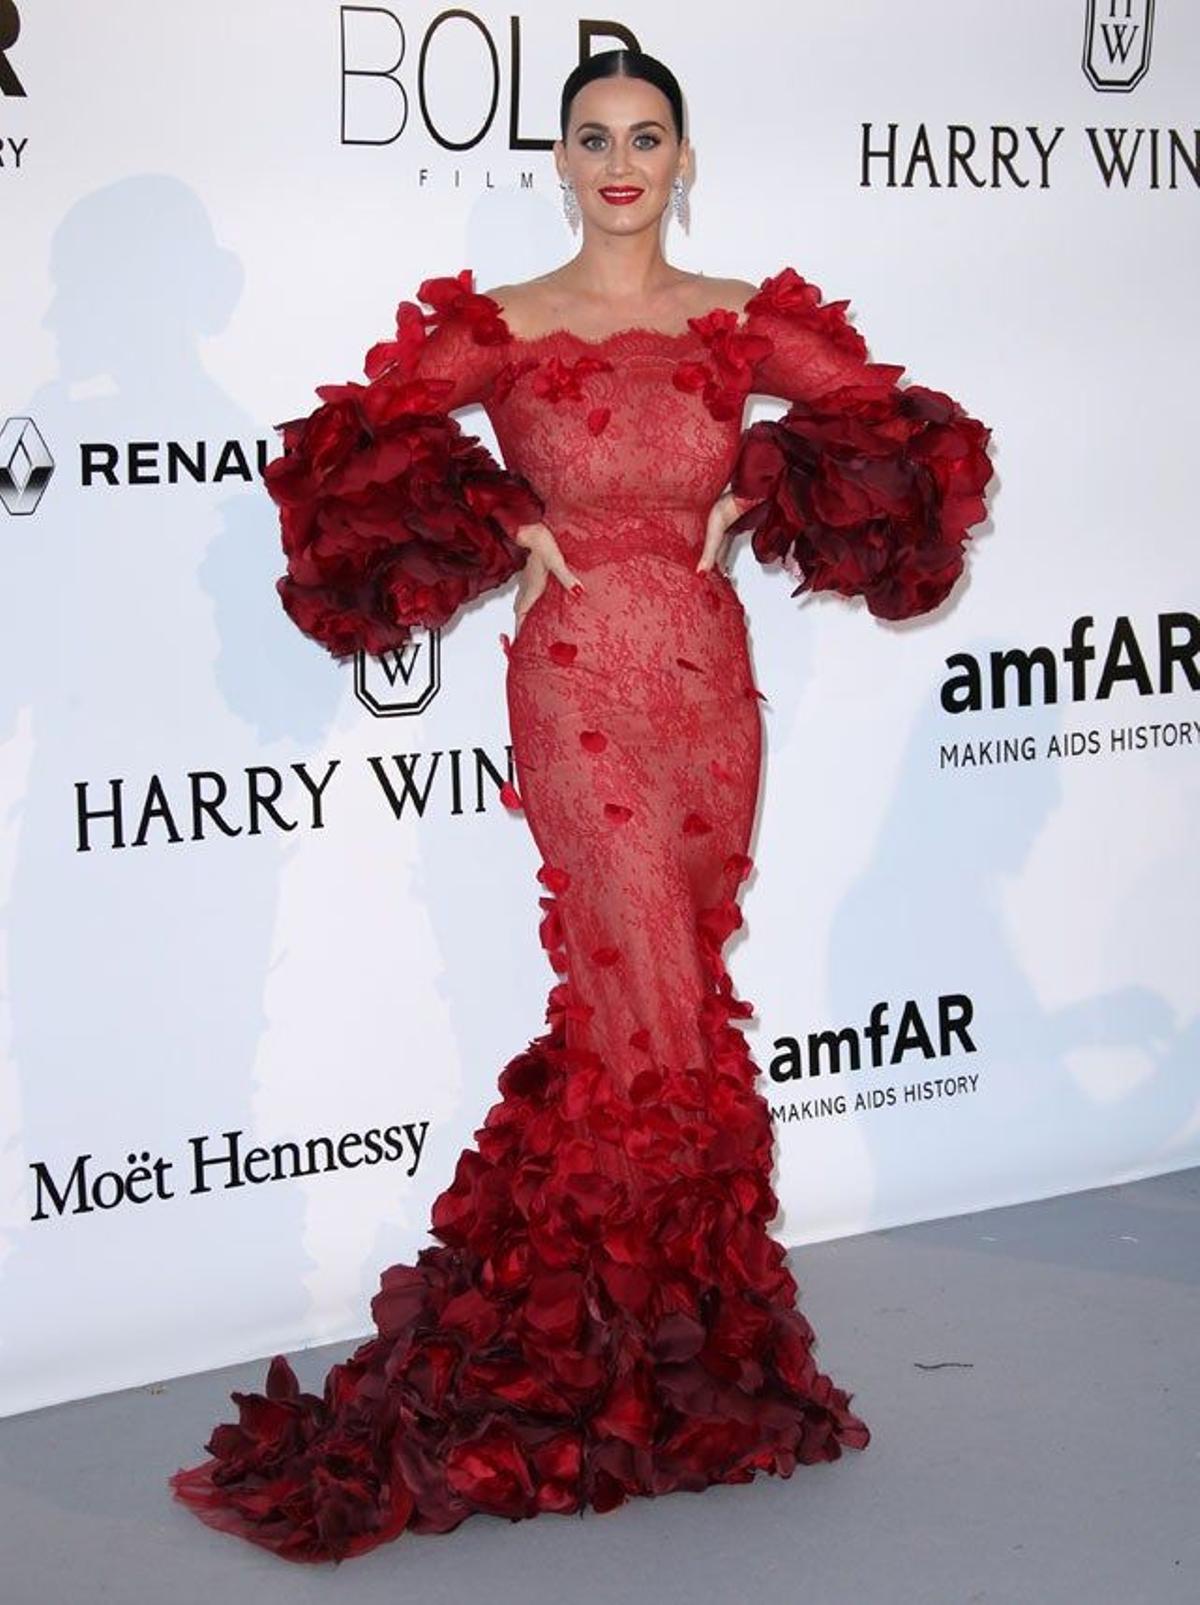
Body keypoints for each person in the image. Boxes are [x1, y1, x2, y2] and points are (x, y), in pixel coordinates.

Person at [167, 48, 993, 1564]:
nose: (622, 160)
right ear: (560, 160)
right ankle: (605, 1361)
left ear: (685, 159)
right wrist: (501, 516)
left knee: (666, 994)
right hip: (575, 691)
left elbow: (901, 427)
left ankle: (669, 1354)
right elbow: (351, 448)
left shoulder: (738, 319)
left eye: (649, 136)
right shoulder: (509, 326)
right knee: (646, 1000)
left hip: (703, 689)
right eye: (595, 137)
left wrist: (766, 463)